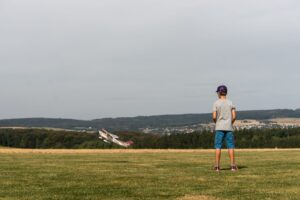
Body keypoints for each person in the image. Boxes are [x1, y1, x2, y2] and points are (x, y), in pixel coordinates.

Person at [212, 85, 238, 172]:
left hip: (219, 127)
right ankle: (233, 166)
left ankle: (217, 166)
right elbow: (234, 116)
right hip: (229, 127)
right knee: (230, 146)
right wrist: (230, 123)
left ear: (219, 92)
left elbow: (214, 116)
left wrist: (217, 123)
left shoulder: (216, 103)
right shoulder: (231, 103)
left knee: (218, 147)